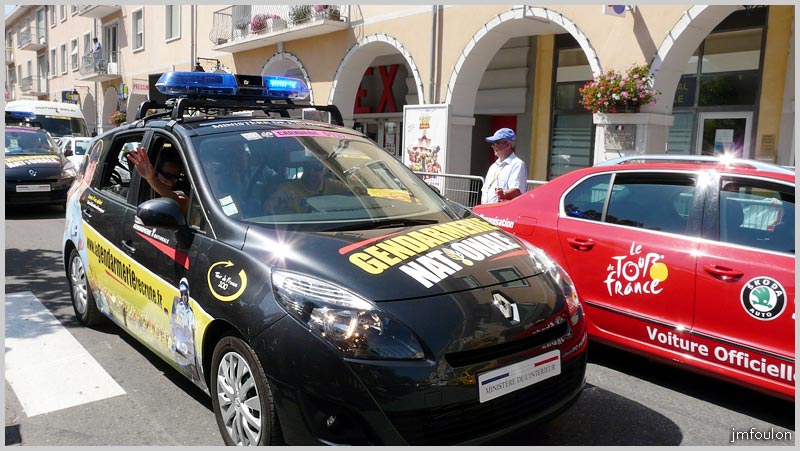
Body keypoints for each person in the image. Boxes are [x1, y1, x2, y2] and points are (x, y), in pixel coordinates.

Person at [265, 159, 351, 214]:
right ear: (303, 168)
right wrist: (277, 198)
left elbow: (360, 195)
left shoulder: (335, 186)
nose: (311, 173)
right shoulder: (287, 187)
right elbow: (266, 210)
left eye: (317, 168)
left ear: (324, 171)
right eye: (308, 167)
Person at [126, 147, 188, 212]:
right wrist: (150, 178)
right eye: (167, 176)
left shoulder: (183, 191)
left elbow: (177, 200)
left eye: (176, 177)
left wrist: (151, 178)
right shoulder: (143, 187)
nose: (171, 182)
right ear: (156, 171)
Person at [480, 128, 528, 204]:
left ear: (507, 145)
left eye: (495, 143)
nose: (492, 146)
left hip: (504, 212)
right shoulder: (493, 166)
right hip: (487, 210)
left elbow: (516, 190)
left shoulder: (517, 164)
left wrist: (504, 194)